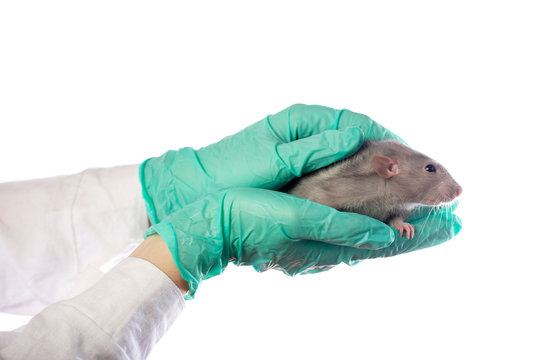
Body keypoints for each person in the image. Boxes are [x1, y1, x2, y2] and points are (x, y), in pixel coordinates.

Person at [0, 104, 461, 359]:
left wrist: (162, 192)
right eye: (431, 170)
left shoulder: (393, 187)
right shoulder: (371, 173)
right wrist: (179, 253)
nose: (449, 188)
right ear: (389, 167)